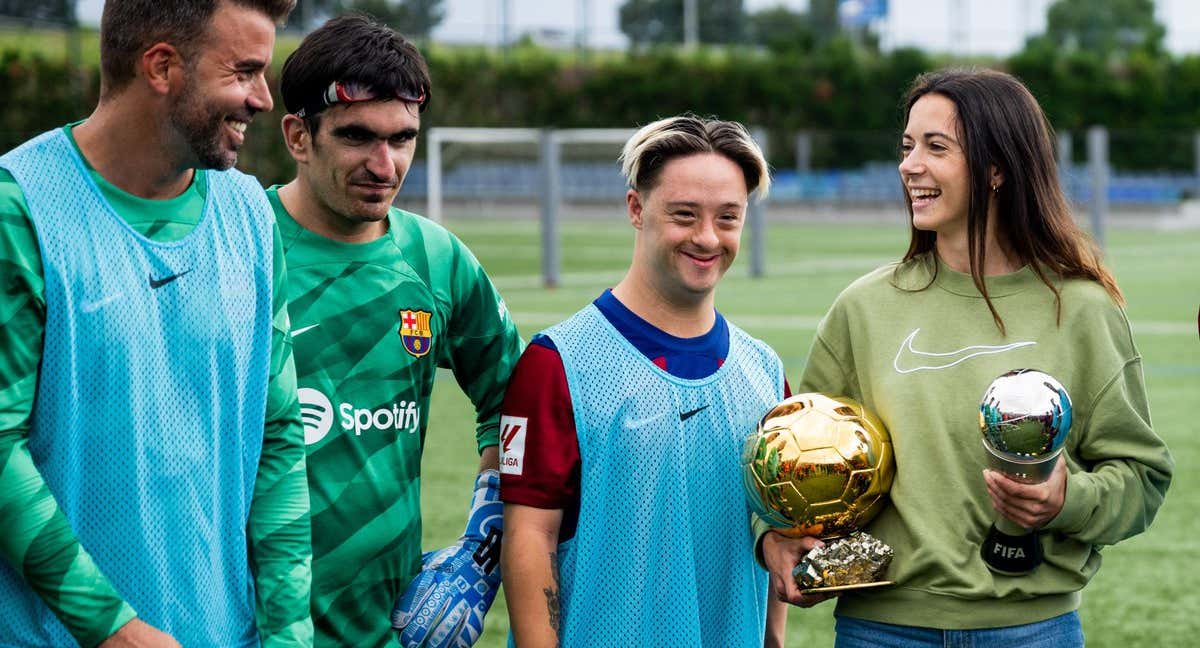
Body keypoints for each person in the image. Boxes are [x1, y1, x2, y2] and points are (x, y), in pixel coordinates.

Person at [761, 68, 1174, 646]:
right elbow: (794, 457)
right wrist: (772, 536)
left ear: (997, 169)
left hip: (1032, 630)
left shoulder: (1083, 309)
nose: (910, 165)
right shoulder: (864, 307)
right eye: (907, 147)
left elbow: (1142, 478)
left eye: (937, 147)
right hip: (880, 630)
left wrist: (1064, 500)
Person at [0, 1, 313, 647]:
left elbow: (279, 434)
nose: (262, 98)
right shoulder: (18, 209)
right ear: (163, 66)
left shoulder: (252, 214)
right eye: (245, 71)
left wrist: (288, 632)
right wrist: (112, 627)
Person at [270, 15, 524, 648]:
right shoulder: (241, 245)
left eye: (403, 138)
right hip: (248, 623)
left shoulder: (435, 259)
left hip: (389, 628)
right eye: (358, 136)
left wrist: (481, 549)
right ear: (299, 136)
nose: (385, 165)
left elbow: (517, 403)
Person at [500, 114, 792, 648]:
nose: (707, 237)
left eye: (728, 217)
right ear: (636, 208)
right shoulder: (556, 363)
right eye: (684, 215)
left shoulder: (765, 371)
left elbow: (776, 525)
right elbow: (529, 537)